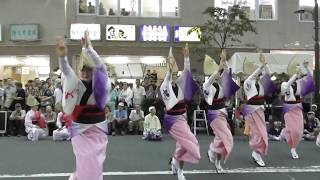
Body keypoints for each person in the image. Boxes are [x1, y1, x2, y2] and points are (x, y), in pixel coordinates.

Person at [57, 31, 109, 180]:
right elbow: (66, 70)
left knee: (96, 164)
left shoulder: (100, 85)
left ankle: (76, 177)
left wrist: (89, 49)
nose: (85, 73)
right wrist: (62, 56)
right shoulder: (75, 83)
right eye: (83, 70)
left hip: (98, 129)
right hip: (80, 130)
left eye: (89, 70)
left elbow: (101, 66)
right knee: (86, 163)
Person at [160, 45, 200, 180]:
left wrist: (187, 57)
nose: (175, 75)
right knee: (190, 142)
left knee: (182, 144)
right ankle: (179, 169)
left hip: (182, 117)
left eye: (177, 73)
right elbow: (167, 79)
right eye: (173, 73)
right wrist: (169, 69)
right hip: (172, 120)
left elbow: (187, 72)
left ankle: (176, 165)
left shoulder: (181, 84)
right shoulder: (164, 86)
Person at [202, 49, 238, 173]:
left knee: (221, 139)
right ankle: (212, 150)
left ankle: (217, 161)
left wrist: (224, 60)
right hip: (213, 114)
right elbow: (212, 78)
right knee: (228, 138)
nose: (217, 75)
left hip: (222, 113)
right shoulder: (207, 85)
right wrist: (218, 69)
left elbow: (227, 72)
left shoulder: (221, 84)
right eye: (216, 73)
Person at [242, 53, 275, 167]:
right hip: (251, 110)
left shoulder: (260, 82)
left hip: (260, 110)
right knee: (257, 133)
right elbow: (251, 76)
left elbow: (269, 74)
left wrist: (265, 64)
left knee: (263, 133)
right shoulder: (247, 82)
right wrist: (261, 66)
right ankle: (256, 153)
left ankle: (256, 152)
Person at [280, 60, 315, 159]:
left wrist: (306, 67)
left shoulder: (300, 82)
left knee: (299, 131)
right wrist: (295, 74)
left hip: (298, 108)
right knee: (294, 131)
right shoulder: (284, 84)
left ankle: (284, 132)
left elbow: (311, 77)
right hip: (288, 109)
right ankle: (293, 148)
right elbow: (287, 86)